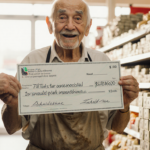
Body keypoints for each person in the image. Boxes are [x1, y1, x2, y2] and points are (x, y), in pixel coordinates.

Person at [0, 0, 139, 150]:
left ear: (87, 27)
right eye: (62, 17)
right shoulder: (32, 62)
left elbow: (117, 127)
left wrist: (124, 104)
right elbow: (11, 127)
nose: (70, 26)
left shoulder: (102, 63)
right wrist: (12, 104)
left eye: (78, 19)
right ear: (49, 24)